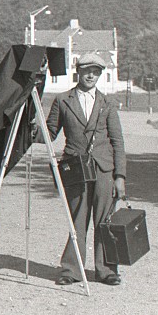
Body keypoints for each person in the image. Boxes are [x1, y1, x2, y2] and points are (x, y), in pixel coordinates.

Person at [45, 52, 126, 286]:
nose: (91, 75)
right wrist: (32, 127)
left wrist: (120, 176)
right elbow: (50, 132)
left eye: (96, 71)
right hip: (76, 169)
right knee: (77, 219)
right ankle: (72, 269)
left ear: (100, 74)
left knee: (104, 220)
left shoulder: (107, 103)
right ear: (78, 72)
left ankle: (106, 270)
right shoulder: (62, 100)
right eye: (87, 70)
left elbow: (117, 142)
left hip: (103, 170)